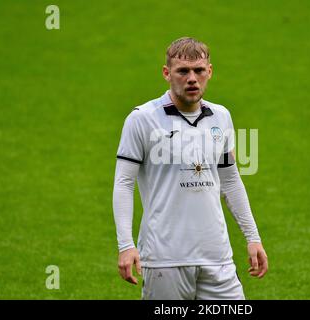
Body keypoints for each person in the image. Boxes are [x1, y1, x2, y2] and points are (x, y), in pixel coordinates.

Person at [113, 37, 268, 300]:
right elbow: (124, 183)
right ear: (167, 73)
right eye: (183, 71)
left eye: (199, 70)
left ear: (210, 71)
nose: (192, 78)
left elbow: (230, 181)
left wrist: (253, 237)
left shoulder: (221, 116)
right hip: (165, 259)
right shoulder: (142, 119)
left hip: (218, 258)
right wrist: (126, 245)